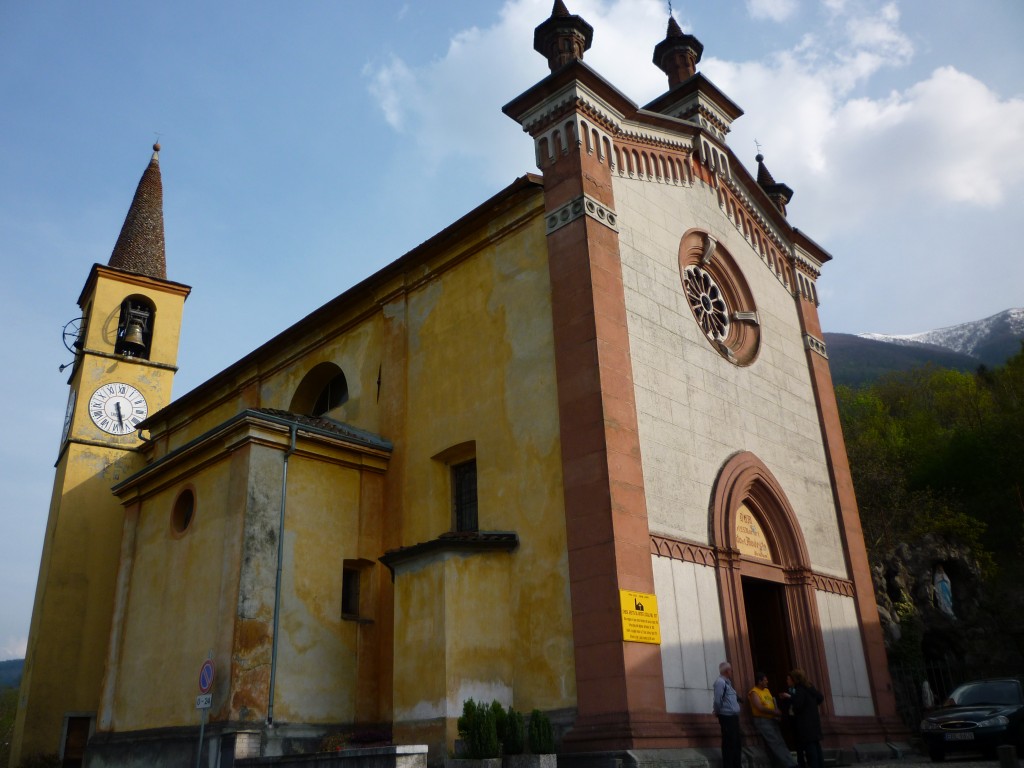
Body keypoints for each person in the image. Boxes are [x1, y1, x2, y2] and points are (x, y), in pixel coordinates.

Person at [748, 672, 797, 768]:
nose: (767, 682)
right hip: (763, 720)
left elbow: (772, 703)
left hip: (772, 720)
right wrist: (775, 712)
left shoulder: (767, 690)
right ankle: (790, 764)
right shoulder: (754, 692)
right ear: (759, 681)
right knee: (775, 743)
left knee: (780, 742)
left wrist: (776, 713)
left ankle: (786, 763)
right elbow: (759, 707)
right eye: (765, 680)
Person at [778, 669, 824, 768]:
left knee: (811, 752)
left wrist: (789, 698)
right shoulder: (809, 687)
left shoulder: (800, 689)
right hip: (814, 723)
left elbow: (798, 705)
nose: (787, 681)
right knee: (816, 748)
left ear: (794, 679)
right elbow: (820, 697)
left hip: (805, 725)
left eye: (788, 679)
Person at [713, 661, 742, 768]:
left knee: (736, 743)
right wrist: (717, 711)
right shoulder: (720, 682)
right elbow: (717, 700)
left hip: (733, 718)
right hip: (726, 717)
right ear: (727, 671)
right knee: (729, 744)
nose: (732, 672)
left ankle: (736, 765)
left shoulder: (728, 683)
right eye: (730, 670)